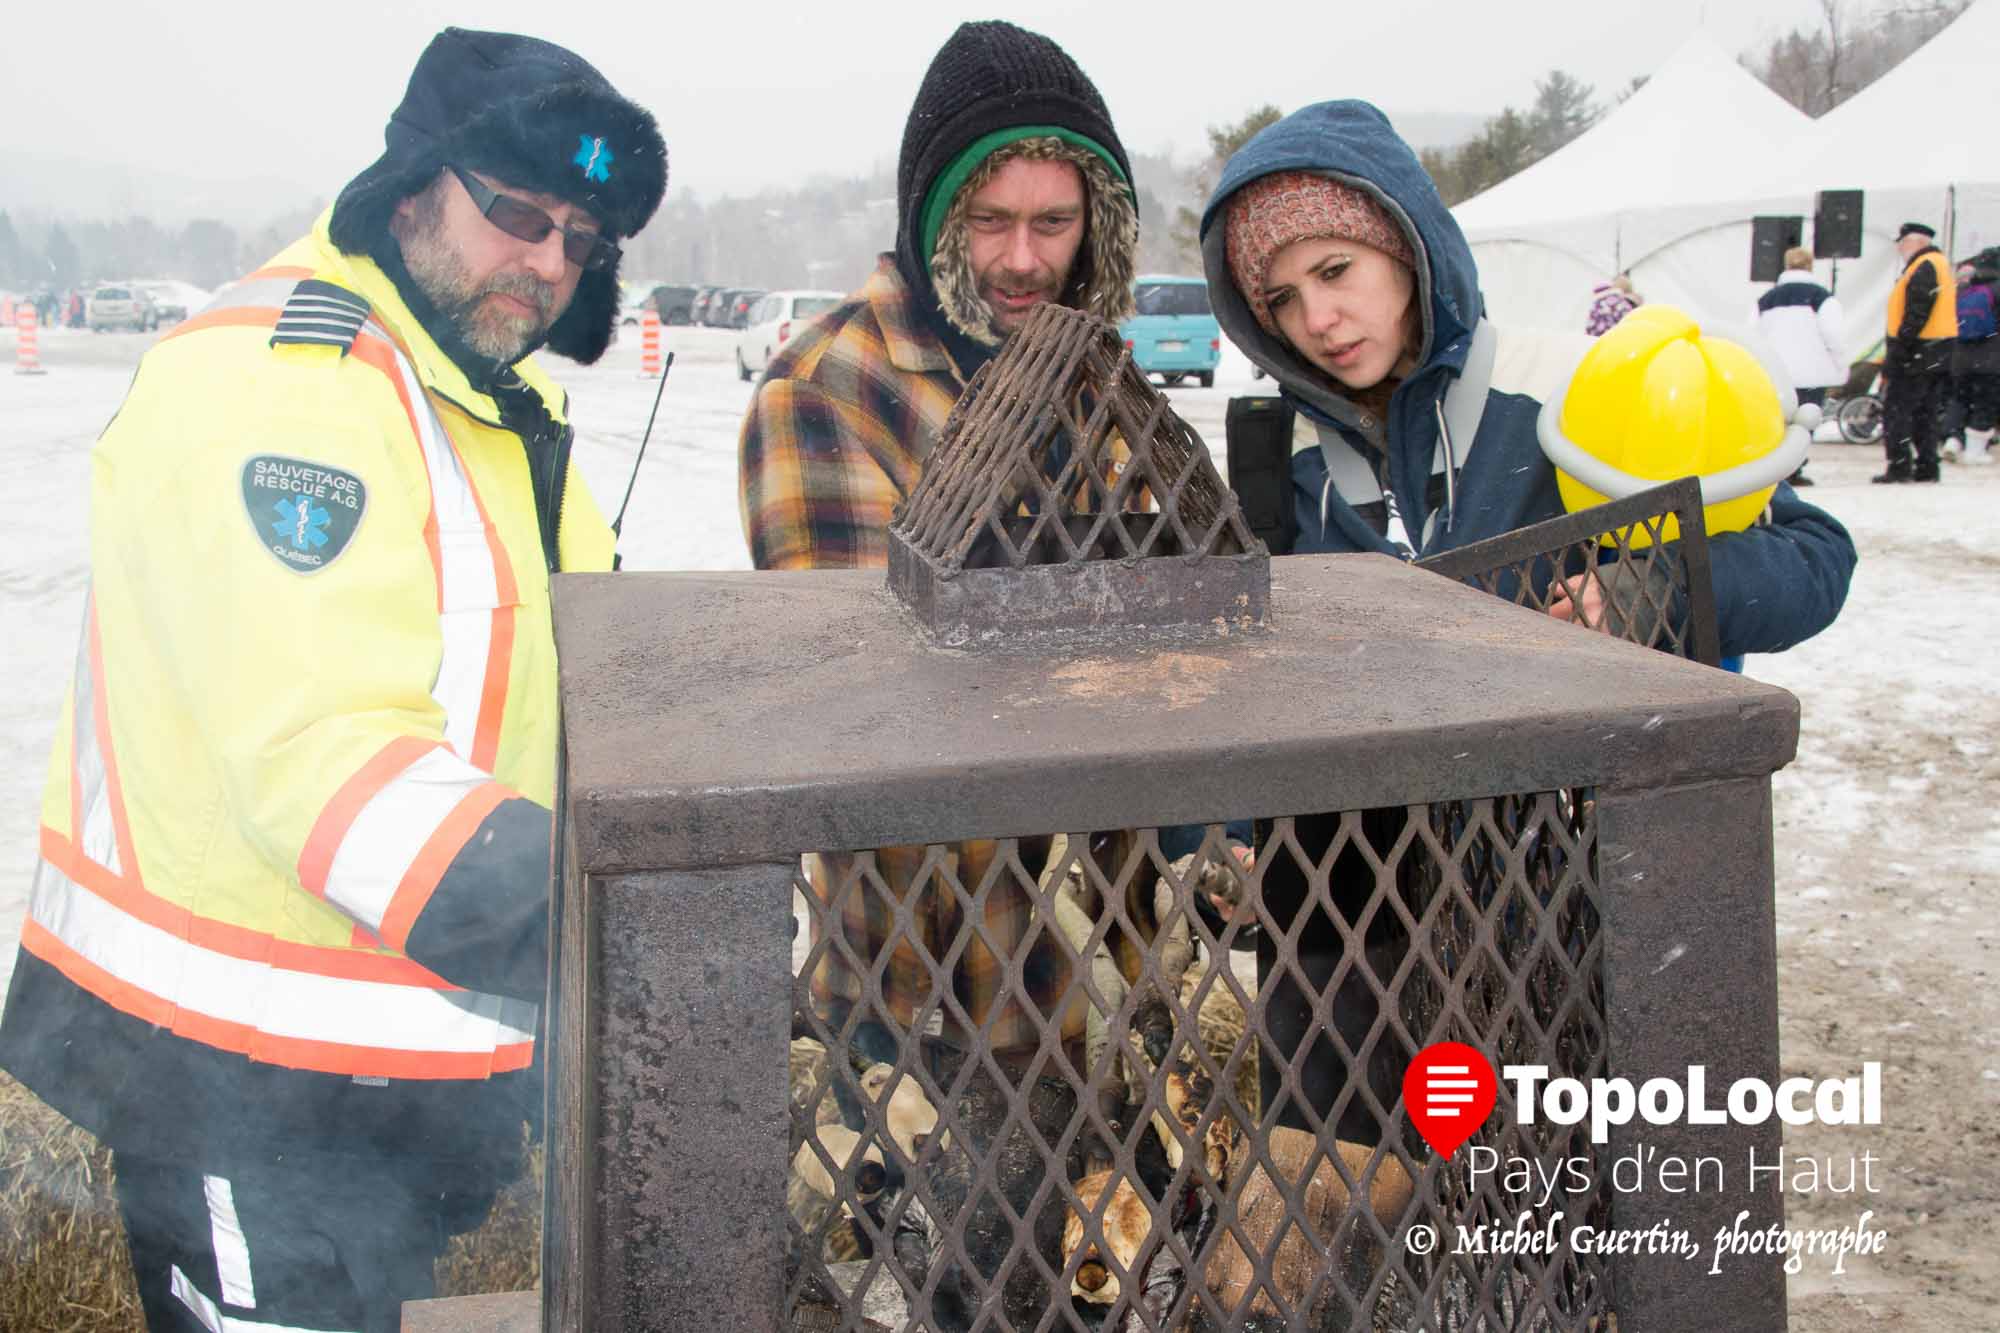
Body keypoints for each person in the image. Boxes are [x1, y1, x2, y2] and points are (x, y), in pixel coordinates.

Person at [0, 28, 664, 1333]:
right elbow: (326, 755)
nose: (545, 262)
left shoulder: (476, 400)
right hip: (246, 1075)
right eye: (517, 215)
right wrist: (611, 929)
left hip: (399, 1067)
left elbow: (573, 695)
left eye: (579, 241)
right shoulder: (290, 385)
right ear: (414, 185)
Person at [1200, 100, 1857, 1144]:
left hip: (1558, 910)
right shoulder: (1282, 477)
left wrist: (1652, 588)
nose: (1316, 318)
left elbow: (1812, 558)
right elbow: (1241, 681)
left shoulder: (1569, 390)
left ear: (1405, 248)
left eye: (1335, 271)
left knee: (1555, 1217)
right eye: (1279, 299)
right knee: (1350, 1220)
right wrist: (1230, 839)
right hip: (1352, 926)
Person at [738, 19, 1139, 1061]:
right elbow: (871, 703)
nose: (1022, 259)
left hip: (1121, 968)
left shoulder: (1095, 375)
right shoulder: (828, 387)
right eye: (989, 221)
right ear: (932, 217)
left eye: (1054, 222)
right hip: (936, 989)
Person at [1756, 245, 1847, 487]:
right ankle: (1796, 467)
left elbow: (1753, 334)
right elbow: (1834, 335)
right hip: (1811, 371)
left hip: (1776, 371)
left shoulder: (1767, 300)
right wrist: (1839, 366)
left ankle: (1778, 470)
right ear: (1810, 266)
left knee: (1779, 422)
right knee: (1805, 421)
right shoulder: (1822, 298)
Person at [1876, 220, 1957, 483]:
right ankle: (1927, 466)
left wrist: (1901, 348)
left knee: (1898, 410)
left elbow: (1917, 311)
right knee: (1926, 412)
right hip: (1937, 351)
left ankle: (1899, 466)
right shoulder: (1939, 263)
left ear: (1916, 242)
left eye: (1902, 242)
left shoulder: (1924, 266)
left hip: (1917, 351)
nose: (1900, 248)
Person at [1944, 249, 1998, 465]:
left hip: (1961, 358)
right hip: (1992, 359)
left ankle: (1952, 440)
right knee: (1985, 402)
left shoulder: (1964, 289)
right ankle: (1975, 452)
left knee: (1960, 400)